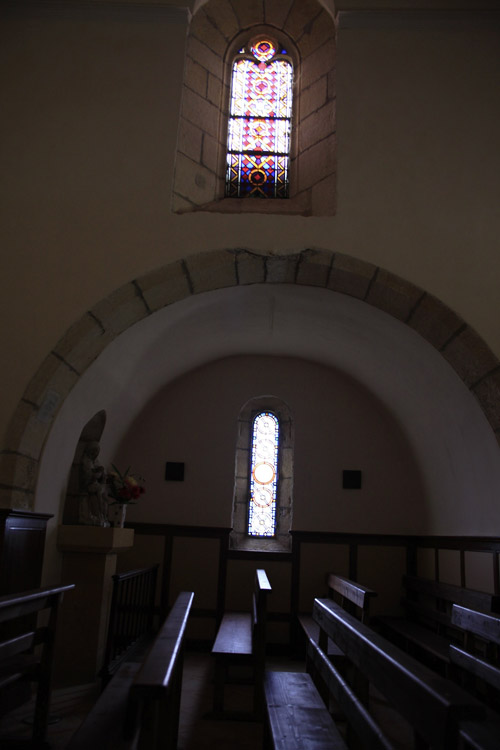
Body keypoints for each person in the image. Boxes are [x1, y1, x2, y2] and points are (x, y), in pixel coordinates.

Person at [79, 441, 109, 526]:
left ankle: (103, 516)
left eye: (96, 452)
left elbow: (100, 471)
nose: (94, 453)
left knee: (104, 493)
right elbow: (87, 475)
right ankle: (99, 515)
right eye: (93, 451)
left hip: (95, 482)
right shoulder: (85, 461)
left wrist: (101, 472)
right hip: (87, 485)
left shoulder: (95, 461)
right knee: (99, 491)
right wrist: (96, 474)